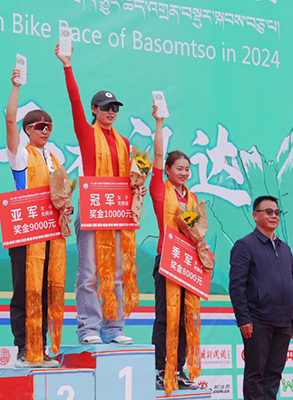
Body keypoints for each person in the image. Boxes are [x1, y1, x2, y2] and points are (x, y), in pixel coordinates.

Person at [55, 44, 144, 345]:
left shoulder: (124, 143)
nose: (111, 113)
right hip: (93, 211)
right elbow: (74, 101)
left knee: (117, 273)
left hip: (116, 213)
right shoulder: (87, 134)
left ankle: (113, 327)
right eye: (105, 108)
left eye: (115, 108)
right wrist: (67, 65)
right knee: (90, 273)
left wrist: (136, 186)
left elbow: (128, 178)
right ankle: (88, 328)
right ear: (94, 110)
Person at [4, 67, 72, 368]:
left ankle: (40, 347)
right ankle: (23, 348)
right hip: (25, 233)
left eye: (49, 127)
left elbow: (59, 194)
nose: (45, 131)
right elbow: (9, 119)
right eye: (39, 126)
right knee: (24, 290)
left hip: (49, 234)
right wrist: (16, 86)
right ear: (28, 130)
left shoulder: (55, 158)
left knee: (45, 291)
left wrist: (65, 207)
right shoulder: (21, 155)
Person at [149, 101, 200, 392]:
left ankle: (178, 370)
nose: (184, 173)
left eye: (187, 169)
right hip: (166, 260)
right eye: (179, 168)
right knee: (165, 317)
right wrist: (159, 122)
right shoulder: (160, 190)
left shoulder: (192, 198)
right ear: (167, 170)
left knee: (183, 320)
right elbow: (157, 154)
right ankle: (160, 370)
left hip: (186, 264)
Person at [229, 196, 293, 400]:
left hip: (284, 322)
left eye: (277, 213)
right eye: (268, 212)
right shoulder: (245, 245)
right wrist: (243, 318)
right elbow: (237, 286)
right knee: (255, 373)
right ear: (255, 215)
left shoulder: (285, 248)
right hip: (258, 321)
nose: (273, 216)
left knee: (274, 374)